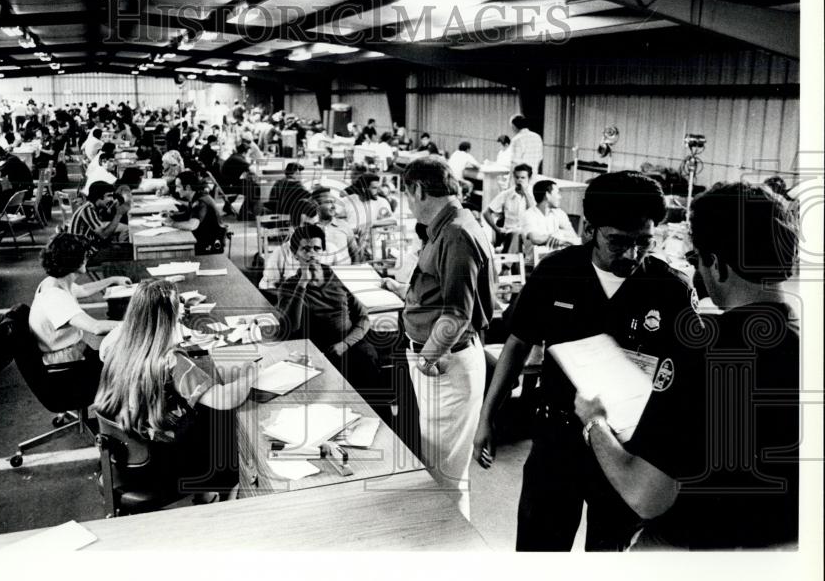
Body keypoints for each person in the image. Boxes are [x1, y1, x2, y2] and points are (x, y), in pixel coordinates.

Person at [472, 171, 702, 551]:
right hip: (555, 440)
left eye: (644, 242)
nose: (632, 254)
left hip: (624, 452)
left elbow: (687, 380)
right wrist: (486, 417)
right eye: (618, 242)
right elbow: (517, 343)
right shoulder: (556, 273)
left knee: (608, 558)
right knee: (538, 552)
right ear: (590, 230)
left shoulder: (670, 290)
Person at [576, 182, 798, 550]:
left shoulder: (703, 352)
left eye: (698, 258)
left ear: (717, 262)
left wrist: (594, 423)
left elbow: (646, 495)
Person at [382, 156, 494, 519]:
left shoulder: (456, 233)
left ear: (417, 189)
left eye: (407, 196)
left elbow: (457, 314)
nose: (408, 204)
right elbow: (438, 293)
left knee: (444, 471)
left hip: (445, 362)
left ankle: (450, 544)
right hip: (438, 359)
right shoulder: (448, 228)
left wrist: (426, 358)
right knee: (436, 456)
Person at [94, 280, 254, 502]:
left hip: (129, 452)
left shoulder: (117, 347)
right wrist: (250, 376)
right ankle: (223, 498)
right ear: (169, 320)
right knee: (227, 423)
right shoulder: (171, 362)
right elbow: (225, 399)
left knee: (204, 412)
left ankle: (206, 495)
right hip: (163, 465)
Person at [276, 225, 382, 404]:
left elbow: (363, 318)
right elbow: (290, 328)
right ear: (295, 254)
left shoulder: (337, 276)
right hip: (318, 351)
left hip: (348, 344)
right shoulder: (289, 287)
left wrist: (344, 345)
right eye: (305, 249)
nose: (312, 254)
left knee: (368, 361)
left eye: (317, 248)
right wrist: (302, 284)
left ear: (323, 251)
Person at [28, 233, 128, 366]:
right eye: (85, 256)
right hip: (66, 362)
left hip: (71, 351)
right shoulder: (55, 297)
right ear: (73, 261)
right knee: (125, 365)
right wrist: (130, 324)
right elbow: (96, 327)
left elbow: (83, 290)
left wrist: (113, 280)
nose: (87, 259)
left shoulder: (54, 281)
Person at [164, 170, 227, 255]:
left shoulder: (201, 202)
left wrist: (172, 224)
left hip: (209, 246)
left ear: (188, 187)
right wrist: (172, 215)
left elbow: (192, 225)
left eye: (178, 187)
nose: (176, 190)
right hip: (204, 239)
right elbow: (188, 214)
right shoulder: (197, 196)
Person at [521, 179, 581, 265]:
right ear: (547, 195)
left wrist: (558, 234)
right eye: (557, 193)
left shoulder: (559, 213)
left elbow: (573, 236)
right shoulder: (529, 215)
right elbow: (535, 238)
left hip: (558, 262)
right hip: (535, 265)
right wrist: (554, 237)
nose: (560, 197)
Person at [70, 180, 131, 249]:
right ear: (98, 197)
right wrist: (118, 214)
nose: (112, 199)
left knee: (121, 247)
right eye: (109, 196)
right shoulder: (87, 210)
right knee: (124, 251)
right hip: (82, 251)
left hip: (89, 245)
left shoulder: (94, 207)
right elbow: (104, 235)